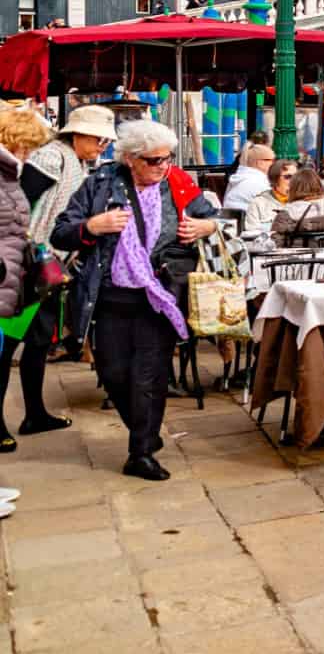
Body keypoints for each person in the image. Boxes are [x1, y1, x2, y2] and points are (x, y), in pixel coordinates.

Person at [52, 120, 219, 481]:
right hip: (109, 297)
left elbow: (215, 220)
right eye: (153, 160)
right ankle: (145, 433)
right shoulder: (98, 185)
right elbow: (62, 231)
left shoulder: (177, 181)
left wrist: (205, 228)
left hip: (159, 297)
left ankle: (140, 452)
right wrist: (92, 227)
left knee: (148, 376)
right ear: (129, 159)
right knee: (113, 374)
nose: (162, 166)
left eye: (166, 158)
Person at [0, 106, 63, 460]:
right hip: (10, 275)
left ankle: (35, 414)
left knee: (30, 342)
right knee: (5, 349)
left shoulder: (14, 170)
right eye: (28, 146)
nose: (30, 154)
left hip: (20, 271)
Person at [24, 105, 113, 358]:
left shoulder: (79, 163)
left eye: (106, 140)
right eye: (99, 138)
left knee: (39, 340)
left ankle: (34, 400)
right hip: (31, 259)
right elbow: (21, 200)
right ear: (77, 135)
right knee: (16, 339)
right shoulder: (51, 157)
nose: (103, 145)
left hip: (51, 264)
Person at [270, 168, 324, 246]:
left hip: (297, 257)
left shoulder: (287, 213)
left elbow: (275, 243)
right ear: (320, 185)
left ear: (293, 188)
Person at [243, 160, 297, 239]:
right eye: (288, 177)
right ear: (274, 179)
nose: (294, 181)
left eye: (296, 177)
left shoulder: (303, 202)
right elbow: (251, 234)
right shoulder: (258, 203)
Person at [222, 142, 275, 216]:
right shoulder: (258, 182)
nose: (274, 164)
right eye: (272, 160)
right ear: (260, 163)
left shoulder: (242, 177)